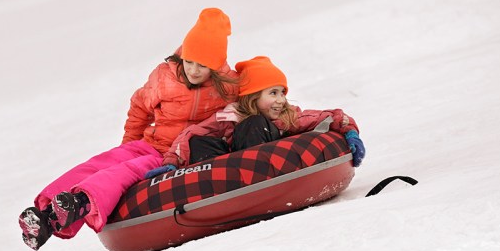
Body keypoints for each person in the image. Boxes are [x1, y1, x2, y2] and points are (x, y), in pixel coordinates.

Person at [19, 8, 239, 250]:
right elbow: (139, 108)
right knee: (101, 163)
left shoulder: (228, 88)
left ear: (216, 65)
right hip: (150, 144)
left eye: (203, 65)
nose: (194, 70)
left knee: (123, 172)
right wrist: (129, 145)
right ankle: (44, 217)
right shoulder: (166, 76)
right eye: (189, 61)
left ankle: (80, 203)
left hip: (174, 155)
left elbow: (250, 102)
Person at [144, 55, 365, 179]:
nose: (280, 100)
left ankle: (256, 178)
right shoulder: (229, 117)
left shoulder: (287, 117)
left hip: (270, 167)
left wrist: (351, 132)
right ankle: (215, 183)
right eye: (273, 93)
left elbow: (327, 116)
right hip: (230, 170)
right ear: (252, 97)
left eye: (282, 93)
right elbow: (189, 135)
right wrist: (172, 164)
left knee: (255, 124)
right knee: (199, 140)